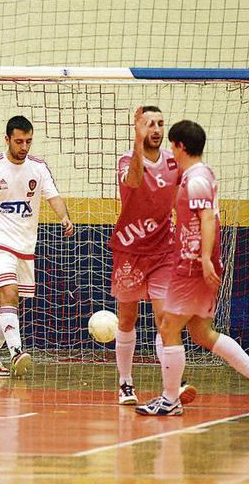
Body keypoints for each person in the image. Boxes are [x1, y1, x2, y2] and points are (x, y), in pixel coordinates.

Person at [136, 119, 249, 416]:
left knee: (168, 327)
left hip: (193, 265)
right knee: (201, 333)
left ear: (181, 146)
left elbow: (208, 218)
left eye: (172, 144)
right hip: (196, 264)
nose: (170, 150)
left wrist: (204, 260)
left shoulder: (197, 178)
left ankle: (170, 400)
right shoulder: (195, 175)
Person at [0, 115, 74, 377]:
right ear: (7, 139)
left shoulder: (38, 168)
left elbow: (53, 196)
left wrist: (63, 216)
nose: (24, 147)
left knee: (10, 301)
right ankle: (17, 351)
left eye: (28, 141)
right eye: (19, 141)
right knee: (7, 291)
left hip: (25, 245)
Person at [110, 106, 195, 406]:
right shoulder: (126, 161)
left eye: (161, 124)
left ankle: (174, 386)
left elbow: (179, 201)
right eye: (150, 124)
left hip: (162, 251)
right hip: (130, 251)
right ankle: (125, 382)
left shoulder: (174, 162)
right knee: (127, 318)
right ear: (139, 129)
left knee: (164, 319)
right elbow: (133, 182)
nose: (157, 129)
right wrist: (136, 141)